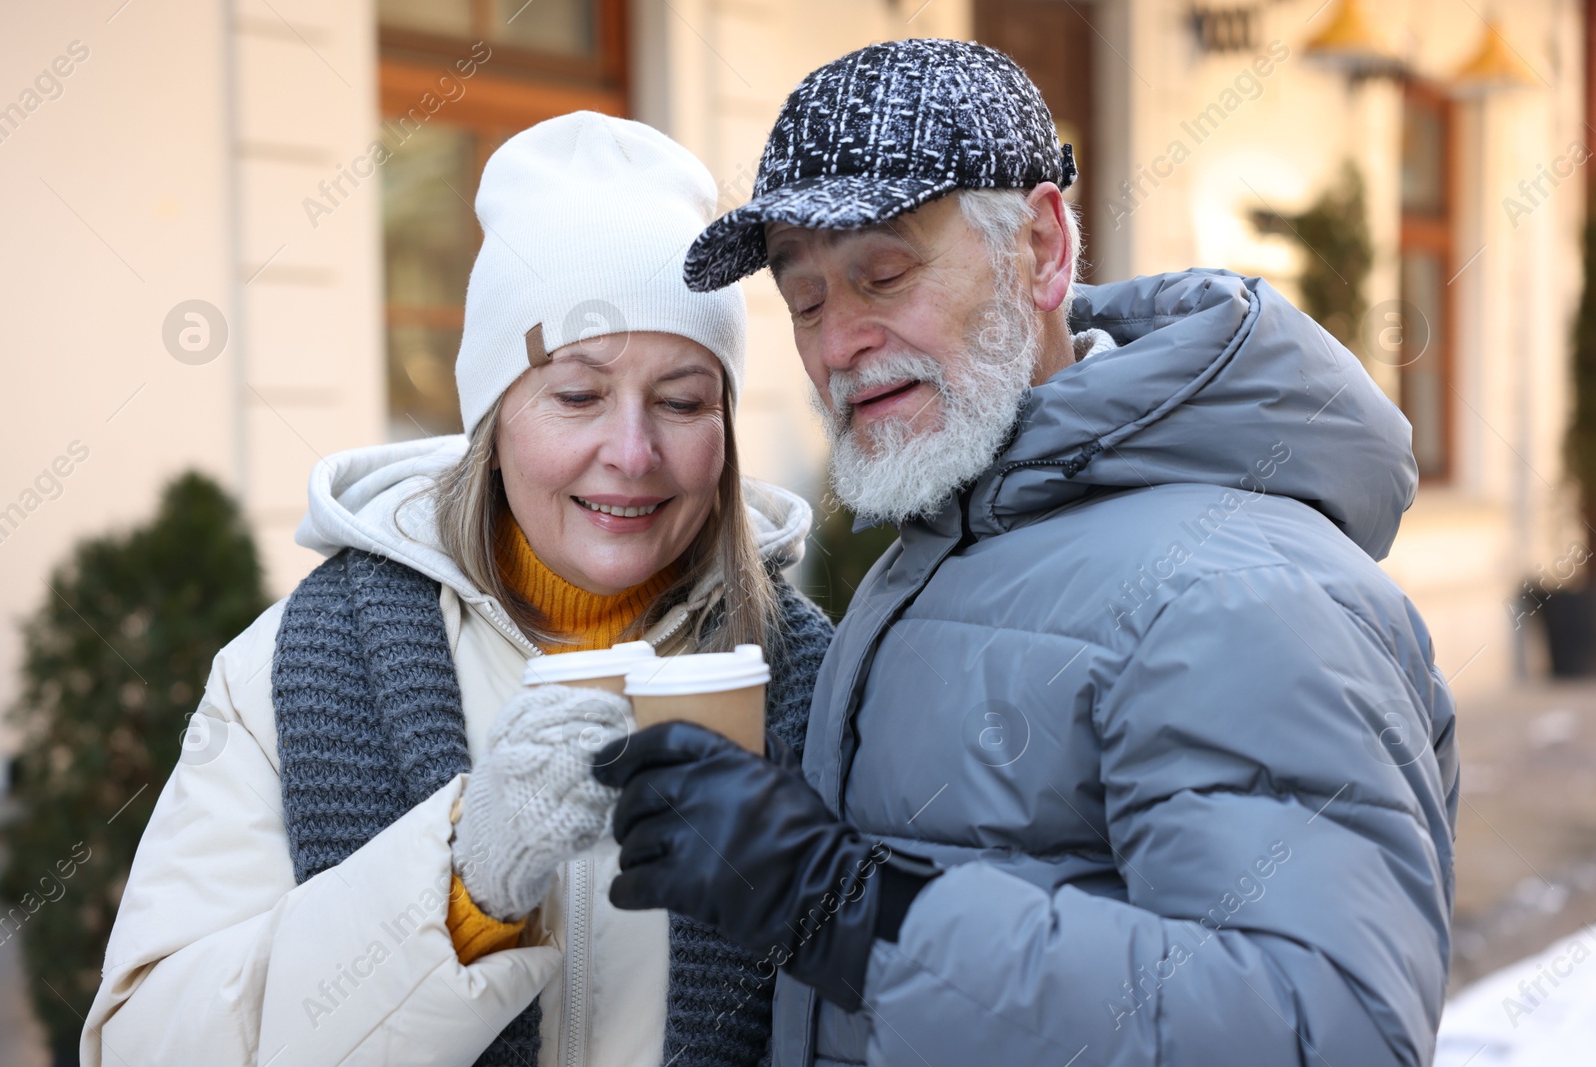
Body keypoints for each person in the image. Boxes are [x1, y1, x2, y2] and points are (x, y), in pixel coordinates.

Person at [592, 38, 1459, 1067]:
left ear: (1042, 248)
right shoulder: (946, 539)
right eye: (807, 299)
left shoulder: (1238, 586)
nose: (837, 345)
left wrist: (854, 910)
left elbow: (1325, 1029)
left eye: (883, 271)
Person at [82, 112, 833, 1067]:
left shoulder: (817, 679)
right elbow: (145, 1045)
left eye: (684, 400)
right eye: (576, 394)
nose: (633, 452)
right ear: (493, 417)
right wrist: (459, 887)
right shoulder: (293, 672)